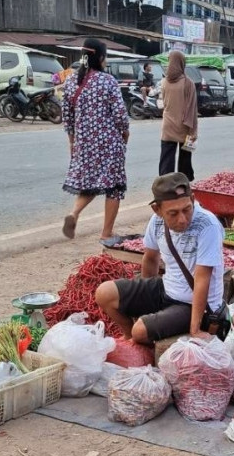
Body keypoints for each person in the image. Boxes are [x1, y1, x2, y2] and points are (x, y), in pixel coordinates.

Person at [96, 172, 226, 344]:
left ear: (193, 199)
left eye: (187, 209)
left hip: (193, 305)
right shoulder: (156, 222)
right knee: (104, 293)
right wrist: (144, 303)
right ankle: (130, 339)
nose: (182, 219)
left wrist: (195, 329)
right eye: (173, 213)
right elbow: (150, 259)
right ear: (157, 209)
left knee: (140, 330)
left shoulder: (207, 225)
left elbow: (202, 278)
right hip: (166, 289)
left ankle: (138, 338)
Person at [61, 38, 129, 242]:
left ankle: (74, 214)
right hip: (109, 143)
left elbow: (68, 117)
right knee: (114, 186)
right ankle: (106, 232)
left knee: (89, 183)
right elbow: (120, 115)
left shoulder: (72, 82)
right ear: (100, 57)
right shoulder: (107, 81)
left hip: (84, 143)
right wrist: (125, 133)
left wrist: (73, 142)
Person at [158, 51, 198, 181]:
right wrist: (194, 131)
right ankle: (183, 185)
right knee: (185, 159)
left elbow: (163, 103)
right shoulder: (188, 83)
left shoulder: (164, 82)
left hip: (167, 125)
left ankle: (165, 186)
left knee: (166, 159)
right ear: (182, 63)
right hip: (185, 127)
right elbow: (192, 108)